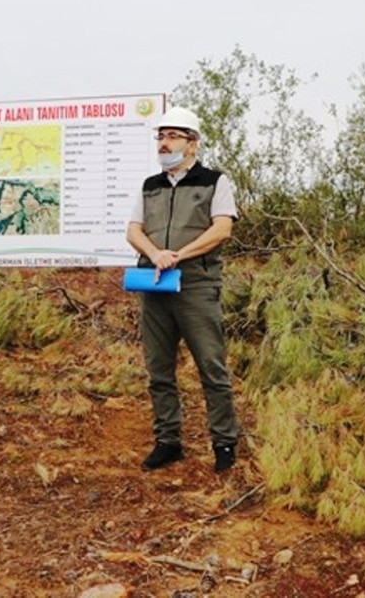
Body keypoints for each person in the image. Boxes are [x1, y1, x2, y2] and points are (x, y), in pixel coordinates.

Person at [125, 106, 240, 472]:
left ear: (193, 143)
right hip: (155, 283)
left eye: (173, 136)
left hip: (196, 285)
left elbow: (222, 229)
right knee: (158, 369)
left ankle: (224, 443)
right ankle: (168, 441)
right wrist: (155, 254)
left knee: (211, 367)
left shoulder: (214, 181)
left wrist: (178, 255)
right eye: (160, 136)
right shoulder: (150, 186)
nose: (164, 143)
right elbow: (133, 230)